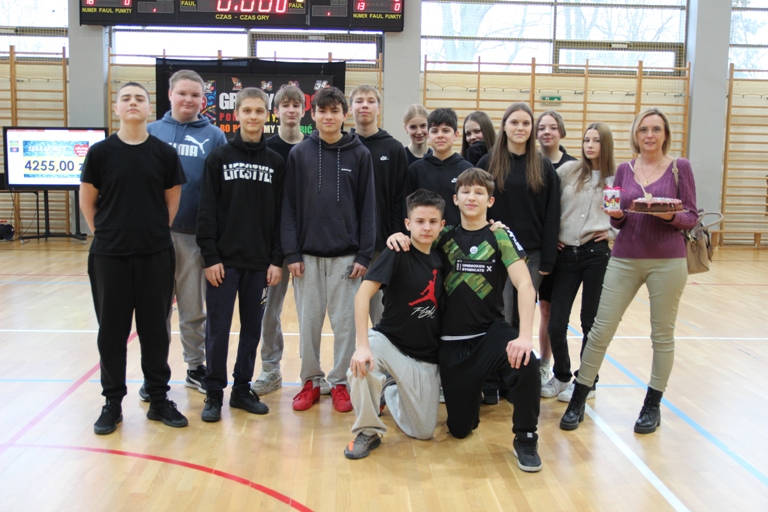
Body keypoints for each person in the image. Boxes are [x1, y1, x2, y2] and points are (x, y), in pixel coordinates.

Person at [388, 168, 543, 473]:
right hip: (452, 343)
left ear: (490, 200)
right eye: (466, 192)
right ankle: (471, 398)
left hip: (490, 334)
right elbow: (416, 240)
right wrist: (397, 236)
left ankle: (526, 437)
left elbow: (525, 285)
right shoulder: (443, 235)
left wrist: (525, 337)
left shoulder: (499, 235)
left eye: (479, 192)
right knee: (460, 429)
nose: (472, 197)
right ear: (455, 199)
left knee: (527, 361)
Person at [560, 108, 698, 434]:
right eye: (643, 130)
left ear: (665, 134)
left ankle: (652, 405)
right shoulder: (624, 169)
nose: (649, 135)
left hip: (667, 260)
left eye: (656, 129)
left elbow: (691, 217)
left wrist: (668, 215)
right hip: (624, 257)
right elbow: (618, 219)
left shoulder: (680, 167)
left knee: (661, 335)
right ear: (635, 135)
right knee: (600, 330)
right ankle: (578, 398)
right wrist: (616, 216)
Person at [80, 82, 188, 435]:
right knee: (112, 333)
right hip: (109, 257)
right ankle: (112, 403)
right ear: (116, 108)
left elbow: (172, 199)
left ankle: (158, 399)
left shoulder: (163, 153)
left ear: (148, 108)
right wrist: (106, 234)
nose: (132, 103)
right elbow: (87, 200)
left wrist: (154, 233)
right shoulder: (100, 153)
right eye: (125, 98)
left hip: (155, 256)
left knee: (155, 331)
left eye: (139, 98)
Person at [282, 86, 376, 413]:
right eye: (322, 111)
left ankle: (340, 382)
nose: (329, 116)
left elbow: (368, 208)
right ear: (314, 115)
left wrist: (364, 254)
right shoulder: (299, 154)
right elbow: (289, 207)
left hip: (346, 257)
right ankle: (310, 381)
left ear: (344, 115)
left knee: (346, 326)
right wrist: (291, 253)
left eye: (335, 111)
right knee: (308, 325)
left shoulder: (360, 154)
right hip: (307, 257)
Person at [196, 87, 285, 422]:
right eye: (247, 110)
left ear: (267, 115)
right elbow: (207, 209)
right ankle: (213, 392)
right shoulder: (218, 158)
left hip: (260, 265)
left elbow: (281, 216)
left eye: (259, 111)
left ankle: (241, 389)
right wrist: (210, 257)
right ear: (236, 115)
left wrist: (276, 259)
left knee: (252, 330)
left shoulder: (276, 162)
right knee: (217, 329)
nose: (253, 116)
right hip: (223, 263)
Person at [143, 69, 227, 401]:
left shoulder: (215, 136)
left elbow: (221, 191)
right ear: (170, 95)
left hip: (194, 237)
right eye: (182, 93)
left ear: (203, 100)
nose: (188, 100)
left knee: (193, 309)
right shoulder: (151, 132)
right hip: (155, 239)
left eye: (195, 95)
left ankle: (195, 367)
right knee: (155, 312)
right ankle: (154, 375)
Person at [344, 189, 445, 460]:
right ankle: (368, 430)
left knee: (423, 431)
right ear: (407, 224)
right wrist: (362, 346)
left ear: (442, 225)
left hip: (424, 357)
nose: (426, 227)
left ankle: (389, 389)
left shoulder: (442, 258)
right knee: (361, 364)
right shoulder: (397, 252)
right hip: (389, 343)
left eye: (433, 222)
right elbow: (362, 295)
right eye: (420, 221)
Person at [477, 103, 560, 395]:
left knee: (520, 319)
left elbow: (552, 214)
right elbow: (476, 205)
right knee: (499, 315)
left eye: (526, 123)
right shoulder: (488, 162)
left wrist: (548, 259)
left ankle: (514, 380)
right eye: (514, 122)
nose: (520, 128)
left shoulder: (543, 166)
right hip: (495, 253)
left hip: (531, 254)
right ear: (504, 126)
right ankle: (492, 379)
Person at [542, 123, 616, 402]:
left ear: (606, 144)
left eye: (596, 141)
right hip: (566, 255)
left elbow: (628, 214)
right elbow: (548, 204)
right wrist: (552, 237)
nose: (590, 145)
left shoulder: (615, 179)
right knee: (556, 322)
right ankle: (561, 375)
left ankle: (587, 380)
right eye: (586, 140)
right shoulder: (568, 171)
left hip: (596, 255)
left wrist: (612, 233)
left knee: (589, 321)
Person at [253, 84, 311, 397]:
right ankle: (270, 368)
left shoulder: (314, 147)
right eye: (285, 105)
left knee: (310, 313)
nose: (290, 110)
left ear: (303, 110)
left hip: (306, 245)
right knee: (269, 311)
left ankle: (311, 374)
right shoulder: (266, 148)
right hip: (272, 247)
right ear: (276, 112)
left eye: (295, 105)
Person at [349, 84, 409, 326]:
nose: (365, 105)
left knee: (381, 317)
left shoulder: (394, 148)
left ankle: (380, 353)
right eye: (359, 100)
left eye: (371, 101)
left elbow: (400, 197)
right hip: (348, 246)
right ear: (350, 108)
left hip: (382, 246)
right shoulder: (343, 146)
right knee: (349, 318)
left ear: (379, 108)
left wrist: (395, 237)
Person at [533, 110, 577, 387]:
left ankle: (547, 364)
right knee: (534, 308)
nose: (547, 132)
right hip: (536, 248)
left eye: (552, 127)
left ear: (561, 131)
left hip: (563, 252)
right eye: (542, 127)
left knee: (551, 312)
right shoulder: (531, 163)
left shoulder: (574, 166)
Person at [405, 107, 473, 228]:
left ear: (456, 135)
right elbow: (407, 209)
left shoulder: (467, 170)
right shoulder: (415, 170)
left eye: (446, 131)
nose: (440, 135)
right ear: (428, 135)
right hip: (424, 236)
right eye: (435, 131)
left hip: (458, 237)